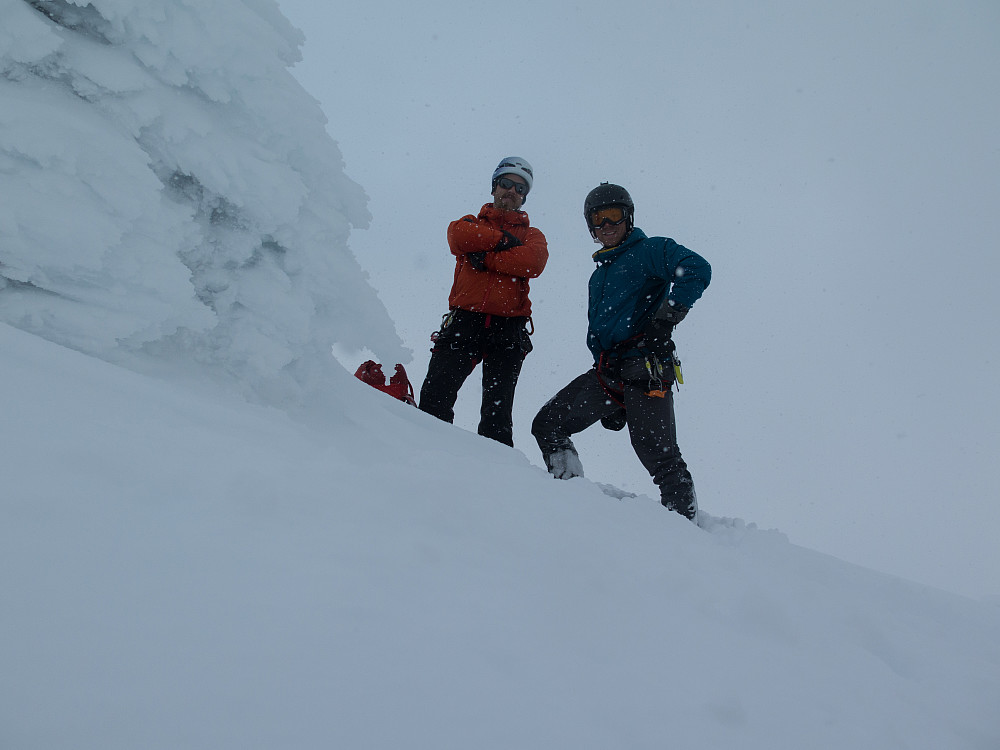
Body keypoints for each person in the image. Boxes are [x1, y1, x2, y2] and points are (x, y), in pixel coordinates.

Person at [531, 183, 711, 519]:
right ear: (591, 228)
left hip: (645, 368)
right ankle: (568, 496)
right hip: (608, 372)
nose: (606, 225)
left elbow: (697, 269)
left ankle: (685, 534)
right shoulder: (598, 276)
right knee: (548, 423)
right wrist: (614, 398)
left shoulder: (650, 251)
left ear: (628, 217)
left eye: (613, 215)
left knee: (660, 457)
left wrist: (666, 318)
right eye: (598, 219)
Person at [417, 157, 549, 447]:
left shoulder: (532, 235)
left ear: (525, 196)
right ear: (494, 187)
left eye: (519, 188)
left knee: (497, 418)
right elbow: (457, 236)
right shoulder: (469, 223)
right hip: (465, 322)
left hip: (508, 330)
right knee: (433, 401)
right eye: (506, 183)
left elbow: (533, 262)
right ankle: (429, 459)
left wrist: (485, 257)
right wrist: (505, 241)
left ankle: (496, 481)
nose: (511, 191)